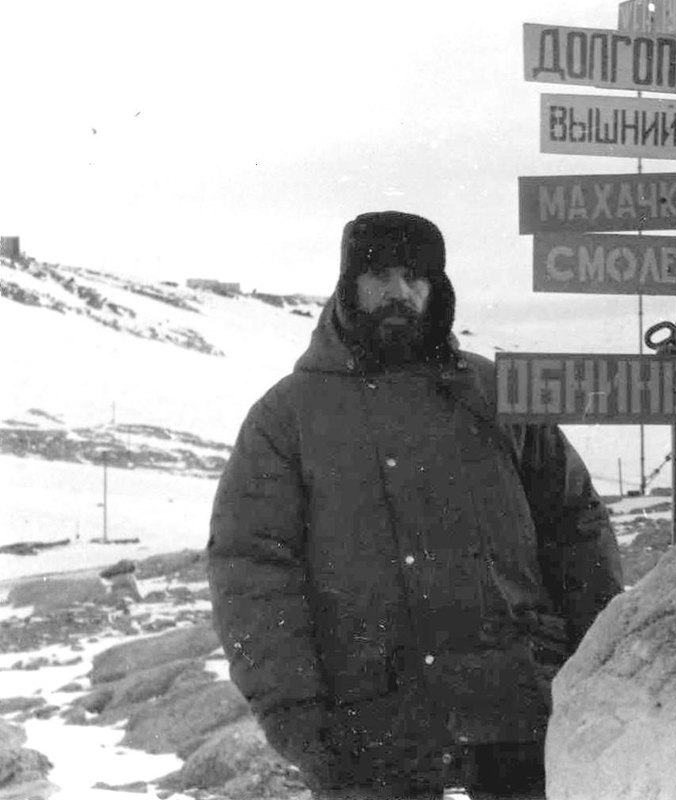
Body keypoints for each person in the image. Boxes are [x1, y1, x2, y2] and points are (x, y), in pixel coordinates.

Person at [207, 211, 624, 799]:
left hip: (519, 710)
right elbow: (251, 568)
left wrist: (597, 662)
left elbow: (575, 526)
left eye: (415, 276)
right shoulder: (287, 416)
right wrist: (294, 713)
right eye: (379, 276)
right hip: (368, 725)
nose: (399, 292)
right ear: (348, 286)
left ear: (438, 288)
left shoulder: (496, 393)